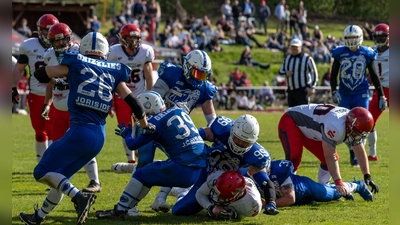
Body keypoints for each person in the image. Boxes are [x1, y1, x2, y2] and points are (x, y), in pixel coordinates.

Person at [19, 31, 155, 225]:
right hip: (99, 137)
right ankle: (38, 217)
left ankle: (79, 198)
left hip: (79, 131)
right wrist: (144, 125)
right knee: (60, 178)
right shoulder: (114, 69)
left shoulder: (75, 61)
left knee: (41, 172)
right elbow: (134, 102)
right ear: (105, 51)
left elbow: (41, 74)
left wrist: (62, 75)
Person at [95, 91, 206, 219]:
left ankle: (119, 210)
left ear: (147, 108)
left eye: (138, 111)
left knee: (141, 173)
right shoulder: (177, 109)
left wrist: (126, 134)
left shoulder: (154, 122)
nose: (137, 115)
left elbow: (134, 147)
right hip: (200, 170)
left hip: (183, 167)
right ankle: (127, 208)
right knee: (148, 175)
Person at [171, 114, 279, 216]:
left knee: (250, 207)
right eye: (238, 139)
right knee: (179, 210)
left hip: (230, 185)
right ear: (232, 131)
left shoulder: (256, 154)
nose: (240, 144)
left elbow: (265, 182)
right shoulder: (222, 130)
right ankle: (182, 191)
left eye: (246, 142)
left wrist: (271, 202)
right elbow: (199, 136)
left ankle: (222, 208)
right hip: (206, 174)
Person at [41, 23, 102, 193]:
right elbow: (50, 81)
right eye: (57, 40)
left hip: (78, 105)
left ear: (70, 38)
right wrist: (47, 103)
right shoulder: (48, 56)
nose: (61, 43)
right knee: (58, 144)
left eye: (64, 39)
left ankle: (95, 181)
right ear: (51, 41)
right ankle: (58, 180)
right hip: (60, 105)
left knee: (83, 143)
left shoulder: (80, 52)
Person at [277, 104, 380, 197]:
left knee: (327, 162)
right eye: (358, 133)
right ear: (350, 125)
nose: (359, 137)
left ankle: (324, 188)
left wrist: (367, 175)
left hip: (310, 129)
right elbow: (330, 156)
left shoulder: (351, 122)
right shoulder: (336, 126)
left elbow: (360, 152)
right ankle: (286, 190)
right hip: (291, 121)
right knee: (294, 158)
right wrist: (338, 182)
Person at [330, 25, 387, 167]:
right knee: (343, 125)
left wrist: (381, 96)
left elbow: (374, 75)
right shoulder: (339, 53)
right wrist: (333, 91)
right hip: (344, 93)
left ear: (360, 38)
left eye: (354, 38)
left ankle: (357, 155)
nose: (351, 41)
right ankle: (351, 150)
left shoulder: (367, 53)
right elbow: (334, 74)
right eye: (348, 38)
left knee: (362, 125)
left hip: (361, 94)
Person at [12, 14, 59, 163]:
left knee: (54, 132)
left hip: (56, 95)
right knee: (39, 132)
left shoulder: (61, 45)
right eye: (45, 30)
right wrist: (13, 88)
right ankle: (41, 165)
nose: (48, 33)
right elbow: (19, 69)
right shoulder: (29, 45)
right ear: (39, 30)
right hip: (36, 94)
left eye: (51, 29)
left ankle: (51, 164)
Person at [107, 23, 155, 165]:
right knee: (125, 128)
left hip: (139, 95)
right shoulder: (114, 52)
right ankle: (130, 159)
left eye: (135, 38)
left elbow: (149, 76)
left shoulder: (145, 51)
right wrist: (111, 100)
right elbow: (110, 77)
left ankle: (143, 156)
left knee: (142, 127)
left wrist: (150, 95)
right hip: (121, 96)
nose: (133, 41)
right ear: (122, 38)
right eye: (130, 38)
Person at [268, 159, 374, 207]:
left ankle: (358, 186)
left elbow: (290, 199)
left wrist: (267, 204)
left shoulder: (278, 170)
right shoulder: (252, 175)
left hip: (305, 188)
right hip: (299, 200)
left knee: (332, 193)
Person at [196, 170, 262, 220]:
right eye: (217, 192)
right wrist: (210, 207)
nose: (218, 198)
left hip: (249, 177)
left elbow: (245, 215)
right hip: (207, 171)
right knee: (187, 207)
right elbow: (200, 193)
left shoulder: (252, 203)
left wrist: (233, 215)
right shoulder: (216, 177)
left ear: (238, 195)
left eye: (223, 197)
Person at [367, 23, 390, 161]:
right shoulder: (372, 51)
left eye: (383, 36)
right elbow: (372, 73)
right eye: (378, 36)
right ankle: (372, 153)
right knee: (369, 121)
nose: (380, 39)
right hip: (380, 90)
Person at [278, 38, 318, 107]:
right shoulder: (287, 58)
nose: (294, 49)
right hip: (291, 91)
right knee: (292, 113)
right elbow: (281, 71)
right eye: (292, 47)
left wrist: (312, 87)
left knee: (303, 113)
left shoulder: (307, 58)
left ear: (300, 47)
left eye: (296, 47)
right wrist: (286, 73)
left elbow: (314, 73)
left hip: (302, 90)